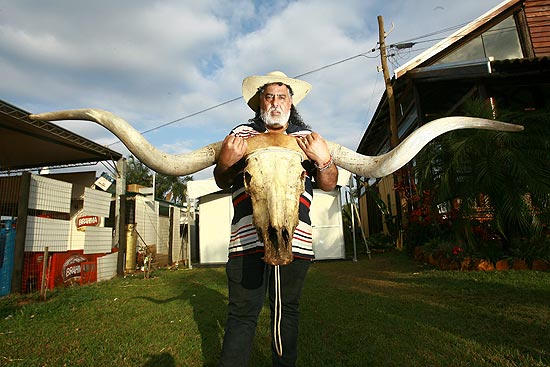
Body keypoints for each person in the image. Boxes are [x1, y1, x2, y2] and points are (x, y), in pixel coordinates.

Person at [214, 71, 338, 366]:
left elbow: (329, 183)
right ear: (260, 102)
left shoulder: (307, 139)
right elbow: (222, 179)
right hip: (247, 241)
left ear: (291, 102)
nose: (275, 102)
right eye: (269, 96)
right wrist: (225, 162)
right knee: (242, 314)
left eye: (282, 96)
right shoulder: (240, 136)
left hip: (296, 241)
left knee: (287, 313)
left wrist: (325, 159)